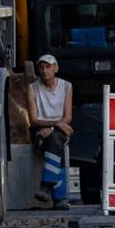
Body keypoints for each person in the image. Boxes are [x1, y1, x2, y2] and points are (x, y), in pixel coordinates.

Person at [27, 54, 74, 209]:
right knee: (55, 143)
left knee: (55, 139)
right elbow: (34, 119)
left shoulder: (67, 86)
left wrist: (53, 127)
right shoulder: (33, 88)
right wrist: (55, 124)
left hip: (58, 131)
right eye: (41, 67)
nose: (44, 70)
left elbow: (68, 117)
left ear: (56, 68)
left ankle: (46, 186)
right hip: (41, 131)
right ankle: (59, 198)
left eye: (48, 67)